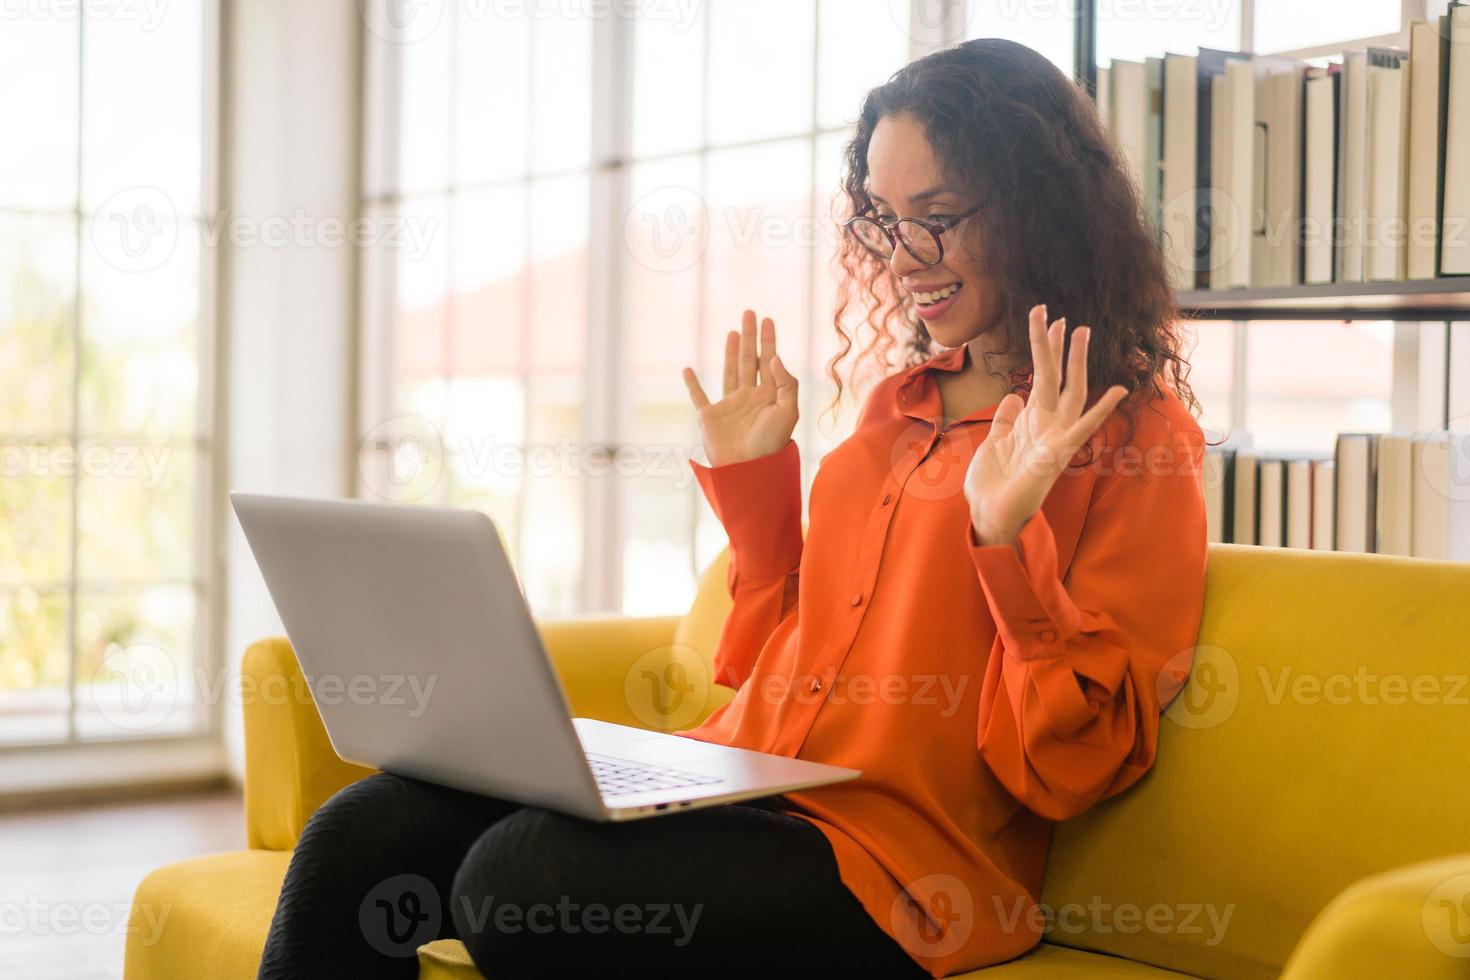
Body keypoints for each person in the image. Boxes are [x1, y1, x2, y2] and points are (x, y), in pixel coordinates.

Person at [257, 37, 1207, 980]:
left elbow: (1074, 761)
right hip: (743, 782)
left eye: (941, 217)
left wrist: (1005, 538)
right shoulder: (895, 404)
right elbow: (772, 662)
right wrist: (756, 490)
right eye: (884, 218)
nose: (906, 255)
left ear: (1040, 208)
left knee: (522, 878)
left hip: (898, 865)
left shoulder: (1134, 439)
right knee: (363, 831)